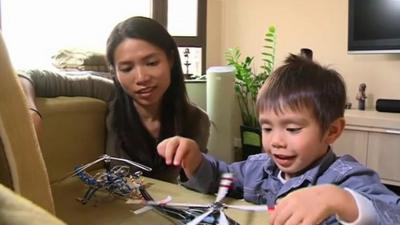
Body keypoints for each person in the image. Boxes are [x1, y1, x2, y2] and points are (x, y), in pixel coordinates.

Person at [157, 54, 400, 224]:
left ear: (332, 131)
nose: (276, 141)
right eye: (267, 128)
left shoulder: (345, 176)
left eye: (292, 129)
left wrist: (339, 199)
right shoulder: (259, 167)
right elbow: (222, 181)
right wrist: (195, 160)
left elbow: (393, 213)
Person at [19, 16, 210, 183]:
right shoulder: (109, 93)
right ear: (114, 71)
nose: (141, 77)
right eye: (127, 68)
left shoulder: (196, 120)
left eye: (151, 63)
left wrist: (197, 163)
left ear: (170, 60)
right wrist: (30, 111)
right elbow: (26, 74)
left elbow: (200, 191)